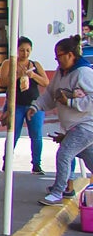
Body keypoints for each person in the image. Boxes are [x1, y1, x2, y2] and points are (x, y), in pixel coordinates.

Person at [34, 36, 93, 205]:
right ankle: (62, 189)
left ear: (70, 55)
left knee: (65, 154)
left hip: (86, 126)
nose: (57, 59)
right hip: (73, 126)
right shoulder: (61, 73)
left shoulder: (84, 73)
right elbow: (50, 95)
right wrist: (35, 107)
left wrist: (71, 102)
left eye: (59, 56)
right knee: (88, 157)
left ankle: (58, 192)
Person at [6, 36, 49, 175]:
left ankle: (37, 164)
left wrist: (33, 76)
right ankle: (6, 162)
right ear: (16, 50)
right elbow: (2, 82)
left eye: (28, 50)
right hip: (16, 104)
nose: (25, 53)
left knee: (36, 135)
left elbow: (46, 82)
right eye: (22, 50)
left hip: (34, 105)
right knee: (13, 134)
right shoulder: (9, 63)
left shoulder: (35, 64)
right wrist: (18, 75)